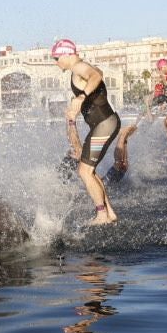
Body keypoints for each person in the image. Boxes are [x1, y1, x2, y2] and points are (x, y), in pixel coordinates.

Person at [52, 38, 121, 225]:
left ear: (67, 54)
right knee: (88, 169)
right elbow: (98, 72)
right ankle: (109, 212)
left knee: (84, 171)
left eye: (56, 57)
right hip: (103, 124)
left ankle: (101, 215)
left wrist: (81, 96)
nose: (55, 61)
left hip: (105, 123)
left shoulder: (78, 67)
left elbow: (96, 76)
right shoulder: (79, 69)